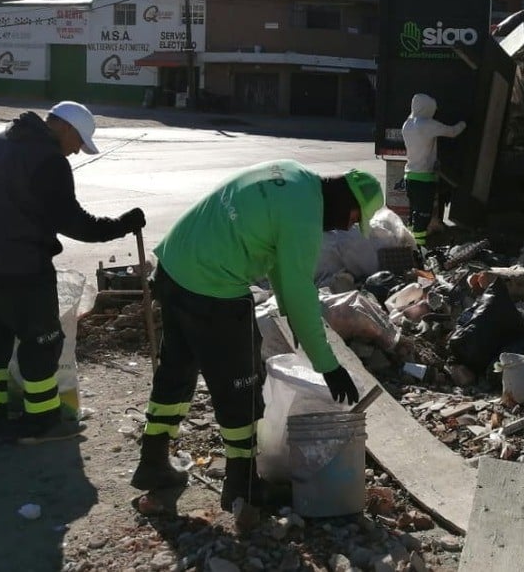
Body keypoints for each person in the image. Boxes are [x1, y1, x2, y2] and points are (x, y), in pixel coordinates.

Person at [130, 159, 383, 520]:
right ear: (348, 201)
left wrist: (291, 317)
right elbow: (299, 289)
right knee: (242, 386)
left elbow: (282, 270)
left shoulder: (292, 175)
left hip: (174, 267)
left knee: (177, 371)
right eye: (355, 218)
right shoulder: (306, 216)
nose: (348, 226)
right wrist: (327, 365)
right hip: (212, 287)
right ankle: (243, 486)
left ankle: (152, 461)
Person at [0, 101, 146, 452]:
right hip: (20, 269)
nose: (76, 151)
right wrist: (122, 225)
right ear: (66, 129)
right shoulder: (49, 160)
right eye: (78, 142)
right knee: (42, 342)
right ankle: (41, 423)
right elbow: (74, 222)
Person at [401, 93, 466, 246]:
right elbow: (452, 132)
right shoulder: (428, 124)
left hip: (409, 175)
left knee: (414, 212)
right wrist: (464, 122)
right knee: (424, 214)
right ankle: (420, 247)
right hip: (424, 178)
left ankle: (410, 243)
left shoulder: (407, 124)